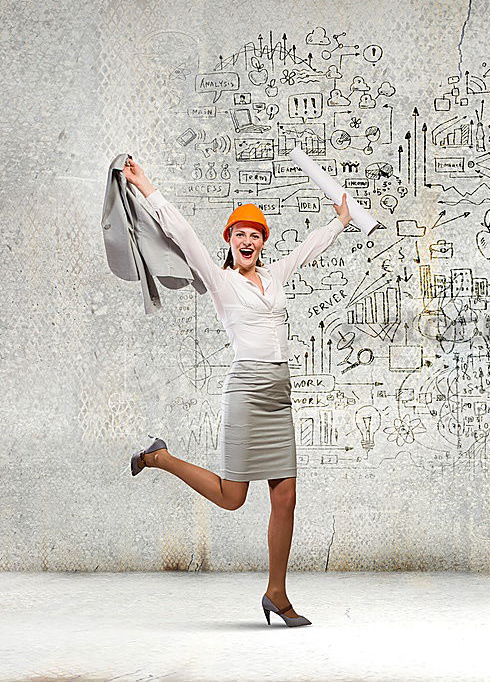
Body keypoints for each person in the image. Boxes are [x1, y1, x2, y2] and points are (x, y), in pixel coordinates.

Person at [122, 157, 352, 627]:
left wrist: (341, 220)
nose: (248, 240)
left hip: (278, 393)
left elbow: (310, 248)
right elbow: (183, 233)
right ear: (228, 240)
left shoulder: (274, 277)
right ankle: (160, 457)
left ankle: (277, 593)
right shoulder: (220, 280)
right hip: (246, 390)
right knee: (232, 497)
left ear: (263, 242)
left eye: (256, 234)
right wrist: (147, 186)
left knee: (285, 495)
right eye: (239, 233)